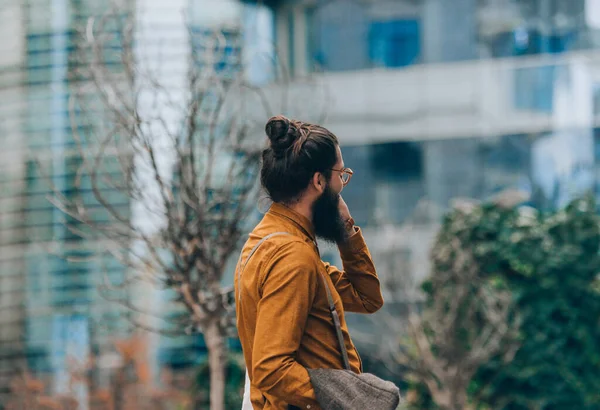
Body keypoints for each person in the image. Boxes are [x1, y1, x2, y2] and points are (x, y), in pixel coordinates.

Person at [235, 115, 384, 410]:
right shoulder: (292, 256)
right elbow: (271, 369)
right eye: (341, 175)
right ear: (319, 181)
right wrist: (348, 398)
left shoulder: (269, 240)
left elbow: (366, 297)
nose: (342, 185)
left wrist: (346, 231)